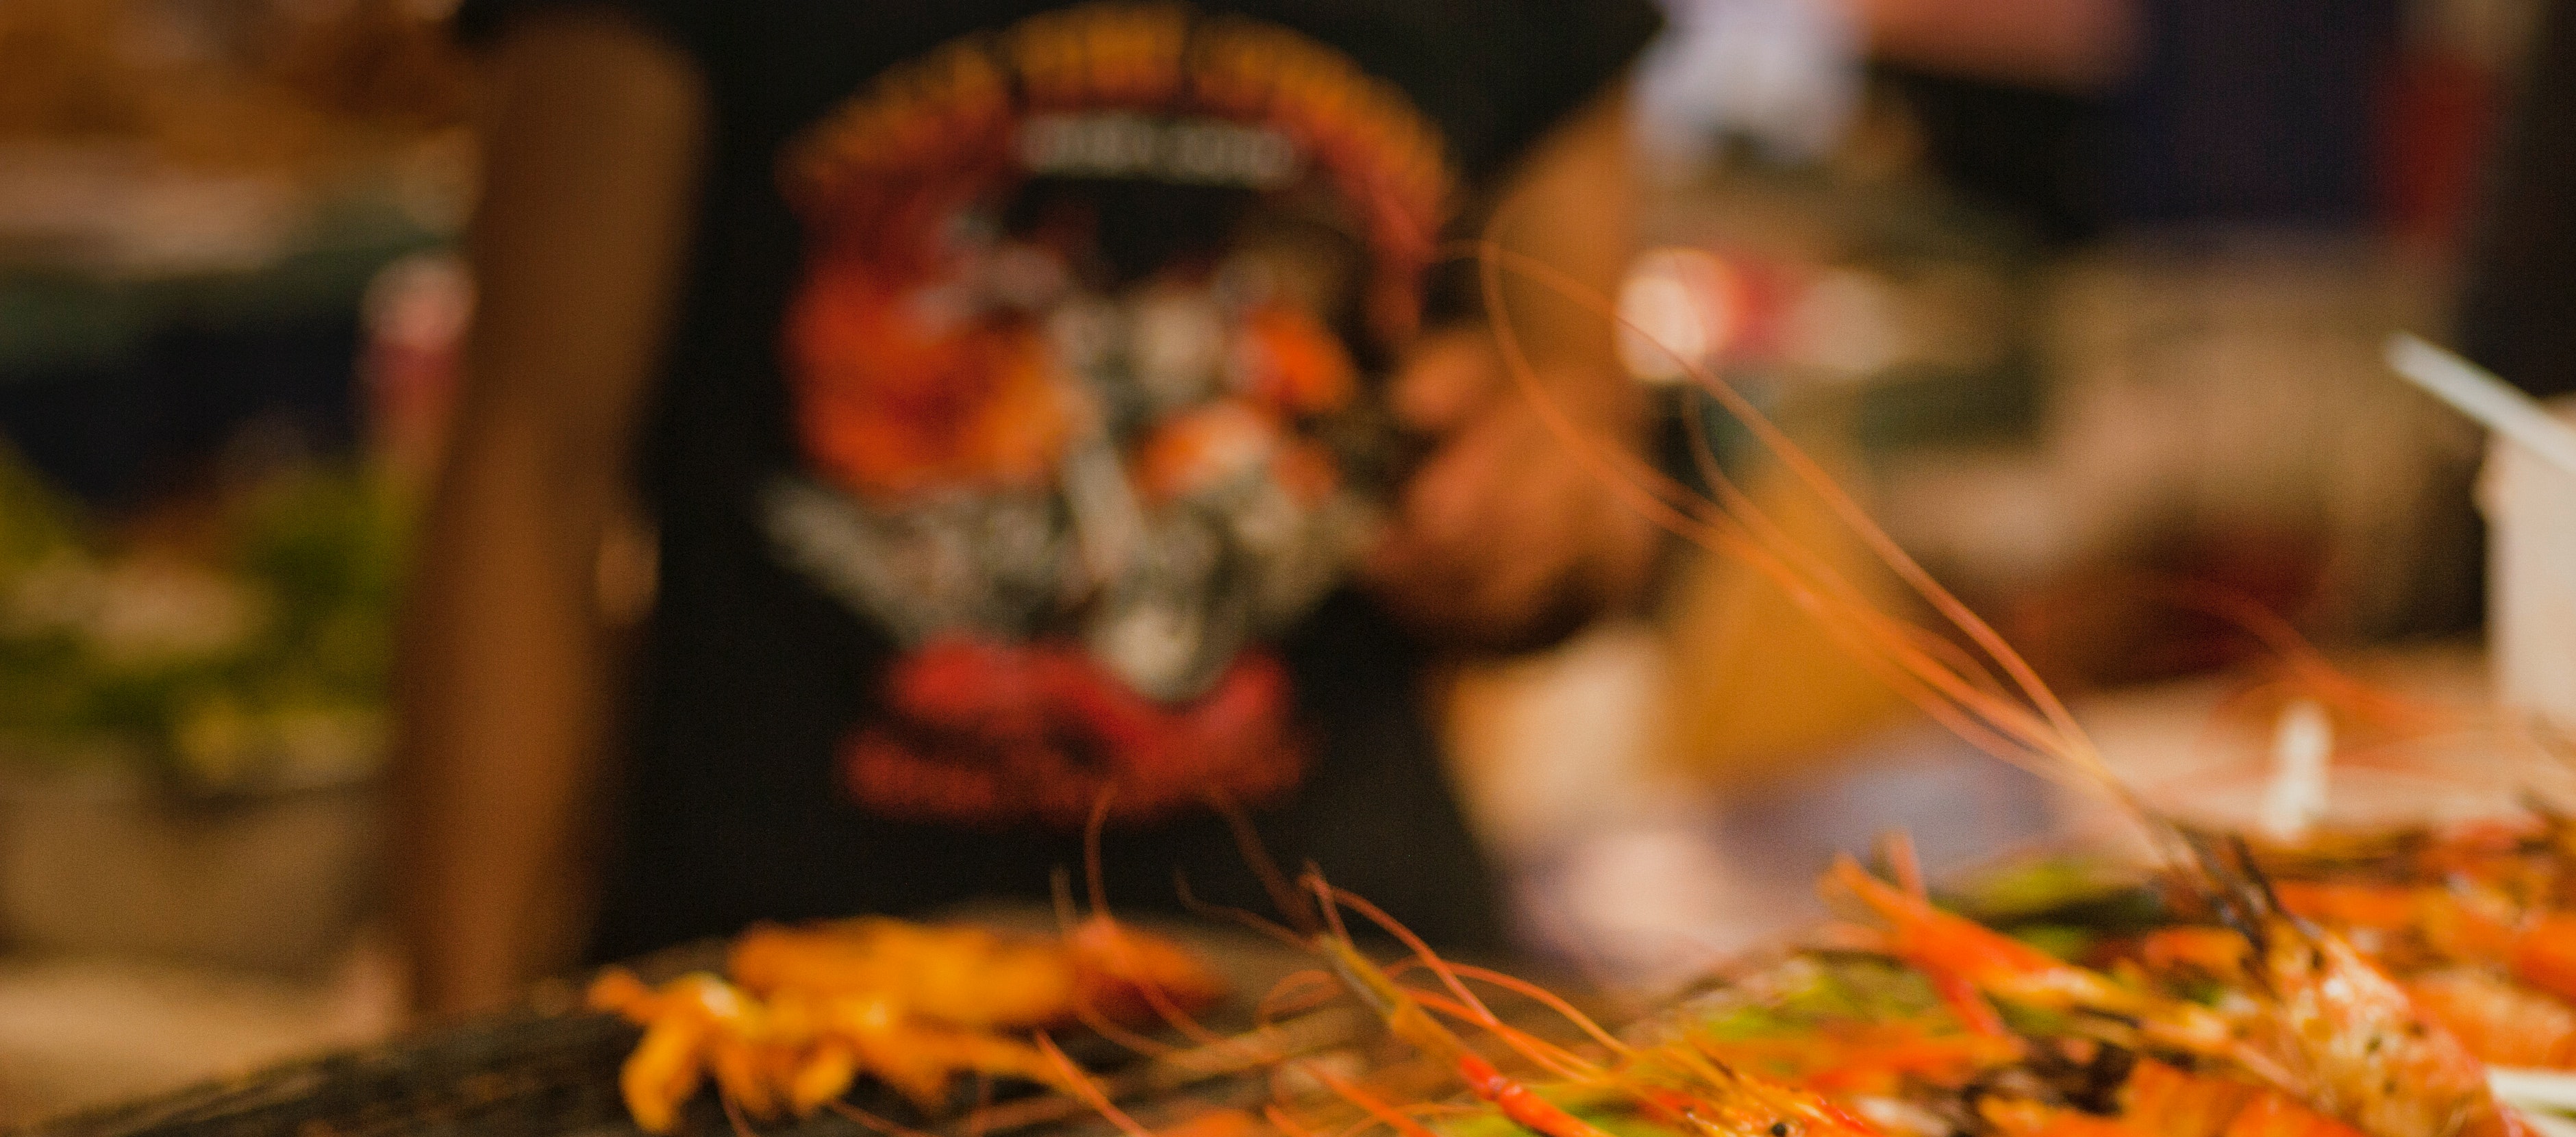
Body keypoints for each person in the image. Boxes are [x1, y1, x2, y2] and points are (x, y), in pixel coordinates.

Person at [397, 1, 1662, 1014]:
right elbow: (529, 471)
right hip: (789, 991)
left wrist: (1540, 514)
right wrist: (451, 1048)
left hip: (1333, 979)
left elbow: (1593, 445)